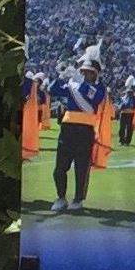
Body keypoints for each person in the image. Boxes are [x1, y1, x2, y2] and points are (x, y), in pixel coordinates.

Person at [47, 43, 111, 213]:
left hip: (85, 130)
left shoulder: (99, 88)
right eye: (83, 71)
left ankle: (78, 199)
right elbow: (52, 90)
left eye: (89, 72)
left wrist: (79, 81)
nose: (85, 73)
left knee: (81, 167)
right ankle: (60, 197)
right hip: (67, 129)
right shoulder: (72, 84)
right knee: (60, 166)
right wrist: (61, 76)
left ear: (95, 74)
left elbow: (94, 98)